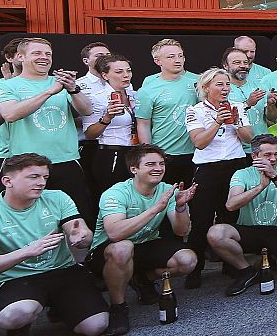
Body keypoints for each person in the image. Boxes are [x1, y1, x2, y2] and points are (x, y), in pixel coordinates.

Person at [0, 153, 109, 336]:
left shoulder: (57, 197)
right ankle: (19, 328)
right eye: (33, 177)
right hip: (15, 279)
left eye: (45, 177)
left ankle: (62, 307)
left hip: (62, 271)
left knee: (96, 326)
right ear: (7, 181)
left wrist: (81, 236)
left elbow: (82, 233)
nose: (41, 183)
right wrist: (26, 252)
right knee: (14, 315)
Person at [87, 144, 197, 336]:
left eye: (161, 163)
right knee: (123, 248)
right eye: (150, 164)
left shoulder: (167, 189)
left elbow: (182, 230)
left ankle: (142, 279)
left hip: (145, 243)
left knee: (188, 260)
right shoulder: (116, 193)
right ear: (134, 169)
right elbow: (115, 234)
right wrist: (156, 208)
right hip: (108, 251)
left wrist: (180, 207)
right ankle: (118, 307)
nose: (158, 168)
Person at [0, 38, 94, 223]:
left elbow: (87, 110)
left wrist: (73, 89)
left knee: (76, 219)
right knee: (28, 218)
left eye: (48, 54)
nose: (44, 57)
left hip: (66, 160)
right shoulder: (5, 85)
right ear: (20, 57)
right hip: (25, 163)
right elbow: (10, 114)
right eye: (37, 53)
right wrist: (49, 92)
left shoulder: (61, 82)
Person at [208, 134, 277, 296]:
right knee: (216, 233)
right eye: (267, 155)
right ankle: (247, 271)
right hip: (250, 229)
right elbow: (231, 205)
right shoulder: (242, 174)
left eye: (276, 154)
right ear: (254, 156)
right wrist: (260, 187)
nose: (273, 159)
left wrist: (275, 176)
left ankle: (273, 259)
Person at [184, 68, 252, 288]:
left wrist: (236, 122)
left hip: (236, 164)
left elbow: (249, 138)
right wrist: (218, 122)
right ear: (206, 88)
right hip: (208, 167)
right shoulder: (194, 110)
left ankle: (232, 264)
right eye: (219, 84)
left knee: (231, 215)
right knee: (201, 219)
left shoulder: (237, 106)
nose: (225, 89)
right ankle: (195, 268)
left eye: (227, 84)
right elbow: (199, 142)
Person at [135, 38, 199, 187]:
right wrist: (149, 155)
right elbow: (143, 124)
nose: (177, 60)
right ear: (158, 61)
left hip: (197, 153)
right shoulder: (148, 89)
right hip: (165, 154)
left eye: (180, 56)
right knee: (165, 196)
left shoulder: (197, 83)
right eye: (171, 57)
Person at [82, 54, 138, 195]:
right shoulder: (98, 98)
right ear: (105, 75)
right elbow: (89, 134)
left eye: (128, 70)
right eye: (119, 72)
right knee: (113, 197)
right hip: (112, 152)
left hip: (135, 153)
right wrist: (107, 118)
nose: (126, 75)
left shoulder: (134, 94)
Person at [75, 41, 112, 209]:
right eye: (99, 55)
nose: (105, 58)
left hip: (117, 143)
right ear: (86, 61)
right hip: (91, 145)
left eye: (108, 55)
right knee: (93, 192)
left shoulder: (120, 80)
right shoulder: (78, 85)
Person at [223, 47, 268, 155]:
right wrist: (247, 104)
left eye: (245, 62)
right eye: (237, 62)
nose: (243, 66)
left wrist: (271, 105)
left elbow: (270, 118)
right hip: (234, 151)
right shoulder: (222, 89)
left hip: (262, 148)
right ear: (225, 66)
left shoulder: (260, 86)